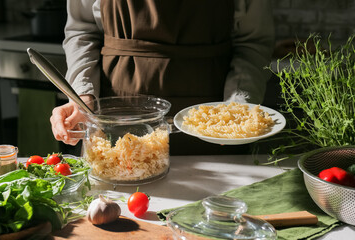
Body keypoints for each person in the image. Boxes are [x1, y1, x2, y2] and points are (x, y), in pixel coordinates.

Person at [50, 0, 275, 155]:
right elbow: (82, 31)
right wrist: (83, 95)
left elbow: (252, 42)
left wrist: (237, 108)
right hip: (116, 122)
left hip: (215, 128)